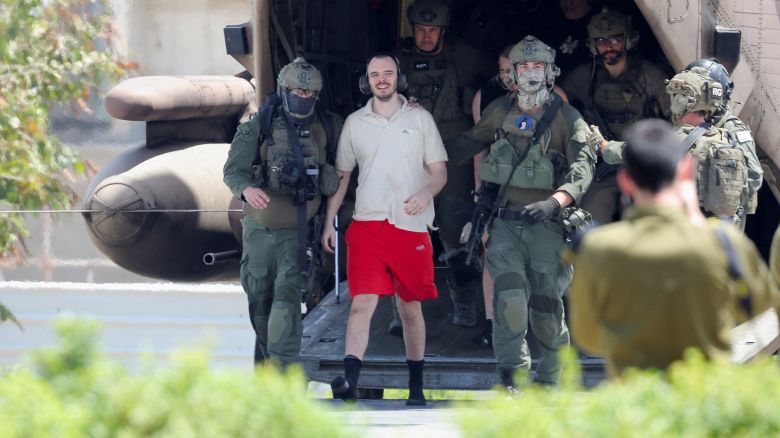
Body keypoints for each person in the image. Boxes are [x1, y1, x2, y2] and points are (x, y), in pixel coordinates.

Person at [569, 119, 780, 377]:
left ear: (625, 181)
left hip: (635, 400)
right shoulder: (724, 243)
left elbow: (589, 337)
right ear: (686, 172)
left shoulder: (598, 249)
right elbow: (760, 314)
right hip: (703, 395)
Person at [448, 35, 595, 389]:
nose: (530, 73)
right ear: (512, 72)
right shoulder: (500, 109)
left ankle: (551, 379)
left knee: (546, 308)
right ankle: (512, 376)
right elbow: (471, 141)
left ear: (550, 71)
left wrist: (556, 201)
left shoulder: (565, 116)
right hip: (505, 225)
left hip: (547, 226)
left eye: (537, 66)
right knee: (510, 301)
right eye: (524, 66)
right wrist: (424, 151)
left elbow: (584, 166)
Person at [322, 54, 447, 405]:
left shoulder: (420, 118)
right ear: (367, 81)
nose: (381, 79)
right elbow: (343, 176)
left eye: (387, 73)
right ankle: (349, 382)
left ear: (398, 78)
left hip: (410, 227)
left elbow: (440, 171)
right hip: (367, 226)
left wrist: (425, 193)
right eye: (374, 74)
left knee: (410, 309)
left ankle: (416, 388)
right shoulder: (354, 123)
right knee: (361, 305)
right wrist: (331, 221)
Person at [222, 58, 342, 368]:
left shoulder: (326, 128)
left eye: (309, 93)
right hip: (260, 235)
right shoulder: (257, 127)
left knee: (286, 305)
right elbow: (233, 172)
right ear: (283, 89)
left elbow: (344, 172)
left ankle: (283, 375)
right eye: (296, 91)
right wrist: (247, 190)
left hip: (298, 236)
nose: (302, 97)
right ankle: (271, 371)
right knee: (260, 304)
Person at [395, 0, 493, 330]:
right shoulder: (399, 61)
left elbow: (496, 88)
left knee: (457, 225)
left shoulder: (466, 56)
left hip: (455, 154)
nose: (425, 36)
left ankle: (465, 299)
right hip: (412, 155)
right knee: (407, 228)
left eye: (432, 30)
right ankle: (405, 305)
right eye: (420, 30)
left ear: (443, 30)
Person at [595, 67, 751, 225]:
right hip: (719, 229)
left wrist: (604, 146)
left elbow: (638, 152)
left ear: (681, 101)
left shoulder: (677, 139)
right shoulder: (726, 137)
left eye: (675, 96)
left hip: (682, 227)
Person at [561, 9, 670, 225]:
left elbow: (679, 124)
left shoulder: (651, 76)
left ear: (628, 40)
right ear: (592, 45)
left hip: (641, 166)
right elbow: (557, 97)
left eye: (614, 39)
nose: (608, 46)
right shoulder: (586, 76)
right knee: (586, 222)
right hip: (604, 169)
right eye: (601, 41)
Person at [685, 58, 763, 219]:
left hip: (720, 219)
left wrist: (722, 195)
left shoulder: (732, 128)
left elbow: (754, 175)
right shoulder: (688, 122)